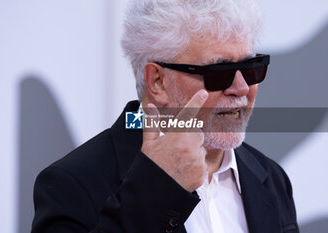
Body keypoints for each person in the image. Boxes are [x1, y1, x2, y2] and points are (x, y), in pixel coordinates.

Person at [31, 0, 299, 232]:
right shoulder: (73, 185)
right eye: (219, 71)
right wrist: (157, 185)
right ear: (157, 81)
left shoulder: (270, 177)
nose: (241, 88)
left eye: (252, 67)